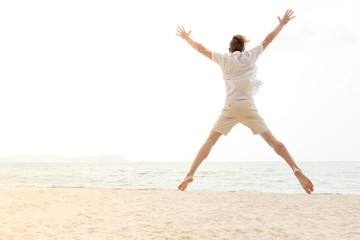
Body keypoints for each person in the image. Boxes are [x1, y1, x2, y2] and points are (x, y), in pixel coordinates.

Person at [176, 10, 314, 194]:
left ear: (229, 50)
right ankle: (295, 168)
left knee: (210, 141)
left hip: (230, 107)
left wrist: (186, 38)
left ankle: (190, 173)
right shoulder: (250, 56)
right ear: (243, 48)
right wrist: (282, 24)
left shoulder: (224, 59)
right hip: (248, 107)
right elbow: (268, 40)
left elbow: (203, 50)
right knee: (273, 142)